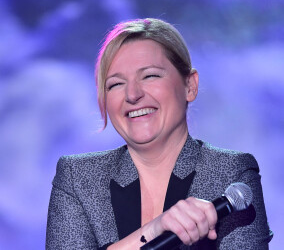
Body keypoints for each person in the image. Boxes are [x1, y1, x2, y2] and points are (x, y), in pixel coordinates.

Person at [46, 18, 273, 249]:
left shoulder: (230, 174)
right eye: (115, 84)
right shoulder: (77, 178)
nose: (132, 94)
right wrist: (154, 230)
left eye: (150, 76)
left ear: (190, 86)